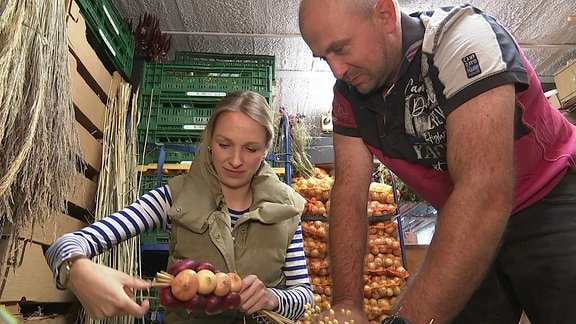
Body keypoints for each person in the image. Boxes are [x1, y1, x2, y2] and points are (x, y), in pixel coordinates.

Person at [299, 0, 576, 323]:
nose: (337, 70)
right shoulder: (348, 93)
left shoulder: (464, 40)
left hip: (550, 198)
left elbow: (484, 192)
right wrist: (348, 304)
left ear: (385, 15)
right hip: (461, 216)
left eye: (341, 48)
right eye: (324, 58)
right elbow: (348, 193)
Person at [45, 91, 314, 323]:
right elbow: (65, 245)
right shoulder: (175, 198)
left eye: (251, 149)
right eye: (224, 144)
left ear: (267, 149)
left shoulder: (286, 210)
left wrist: (272, 298)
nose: (235, 160)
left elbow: (305, 297)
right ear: (209, 141)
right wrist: (74, 269)